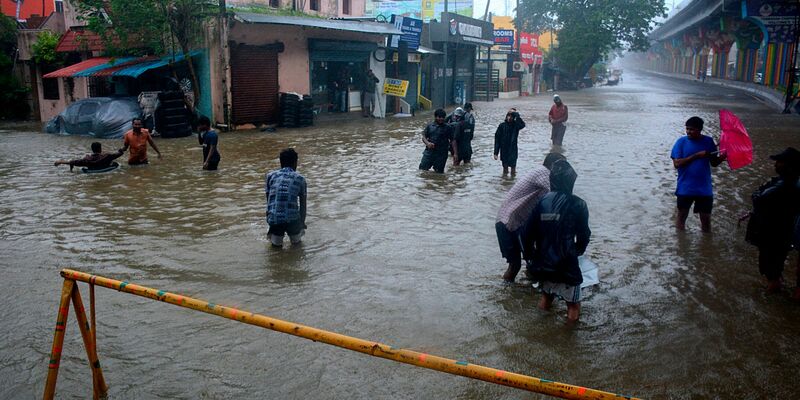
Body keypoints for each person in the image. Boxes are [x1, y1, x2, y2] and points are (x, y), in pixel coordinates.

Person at [522, 160, 590, 323]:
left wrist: (530, 257)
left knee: (546, 298)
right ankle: (567, 341)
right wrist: (577, 251)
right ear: (571, 181)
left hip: (543, 263)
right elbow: (584, 235)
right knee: (573, 306)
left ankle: (539, 329)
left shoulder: (542, 202)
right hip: (567, 265)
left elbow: (526, 233)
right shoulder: (579, 204)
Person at [496, 152, 566, 283]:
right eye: (561, 167)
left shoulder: (541, 173)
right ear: (552, 165)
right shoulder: (544, 173)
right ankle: (506, 293)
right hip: (509, 223)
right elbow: (559, 195)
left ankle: (524, 291)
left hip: (517, 222)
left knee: (532, 258)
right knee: (515, 265)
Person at [742, 147, 800, 295]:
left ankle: (771, 295)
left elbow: (759, 198)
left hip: (775, 234)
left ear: (789, 165)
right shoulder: (784, 182)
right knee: (774, 266)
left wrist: (758, 196)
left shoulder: (786, 185)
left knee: (771, 267)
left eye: (779, 162)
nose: (775, 164)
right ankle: (777, 287)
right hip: (777, 232)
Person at [670, 116, 726, 232]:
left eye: (692, 129)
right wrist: (697, 155)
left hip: (704, 189)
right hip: (685, 188)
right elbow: (677, 163)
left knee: (706, 220)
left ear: (700, 129)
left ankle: (706, 245)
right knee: (681, 217)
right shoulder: (681, 142)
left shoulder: (708, 141)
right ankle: (681, 244)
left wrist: (723, 156)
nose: (689, 132)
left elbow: (714, 163)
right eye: (687, 129)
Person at [265, 148, 308, 248]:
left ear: (281, 162)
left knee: (275, 248)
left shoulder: (270, 176)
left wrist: (270, 219)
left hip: (275, 218)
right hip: (292, 219)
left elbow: (269, 201)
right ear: (295, 163)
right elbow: (303, 205)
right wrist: (302, 223)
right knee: (297, 246)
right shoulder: (300, 179)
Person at [419, 109, 454, 173]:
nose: (441, 119)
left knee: (439, 173)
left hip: (442, 154)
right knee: (422, 170)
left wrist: (455, 153)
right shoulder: (430, 126)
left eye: (443, 117)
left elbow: (453, 140)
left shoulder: (448, 127)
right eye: (439, 117)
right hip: (429, 153)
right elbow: (424, 137)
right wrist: (428, 143)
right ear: (435, 117)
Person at [493, 108, 526, 175]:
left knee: (513, 169)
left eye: (511, 116)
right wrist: (496, 153)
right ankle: (505, 183)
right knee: (505, 169)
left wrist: (517, 115)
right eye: (508, 115)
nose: (509, 117)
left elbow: (522, 125)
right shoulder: (502, 126)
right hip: (504, 150)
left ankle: (512, 182)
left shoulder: (516, 126)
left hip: (513, 150)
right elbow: (497, 139)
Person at [54, 142, 124, 171]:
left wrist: (60, 162)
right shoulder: (107, 156)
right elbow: (119, 154)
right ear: (100, 149)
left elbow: (73, 162)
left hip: (92, 171)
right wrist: (122, 149)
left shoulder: (86, 160)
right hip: (106, 170)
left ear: (92, 150)